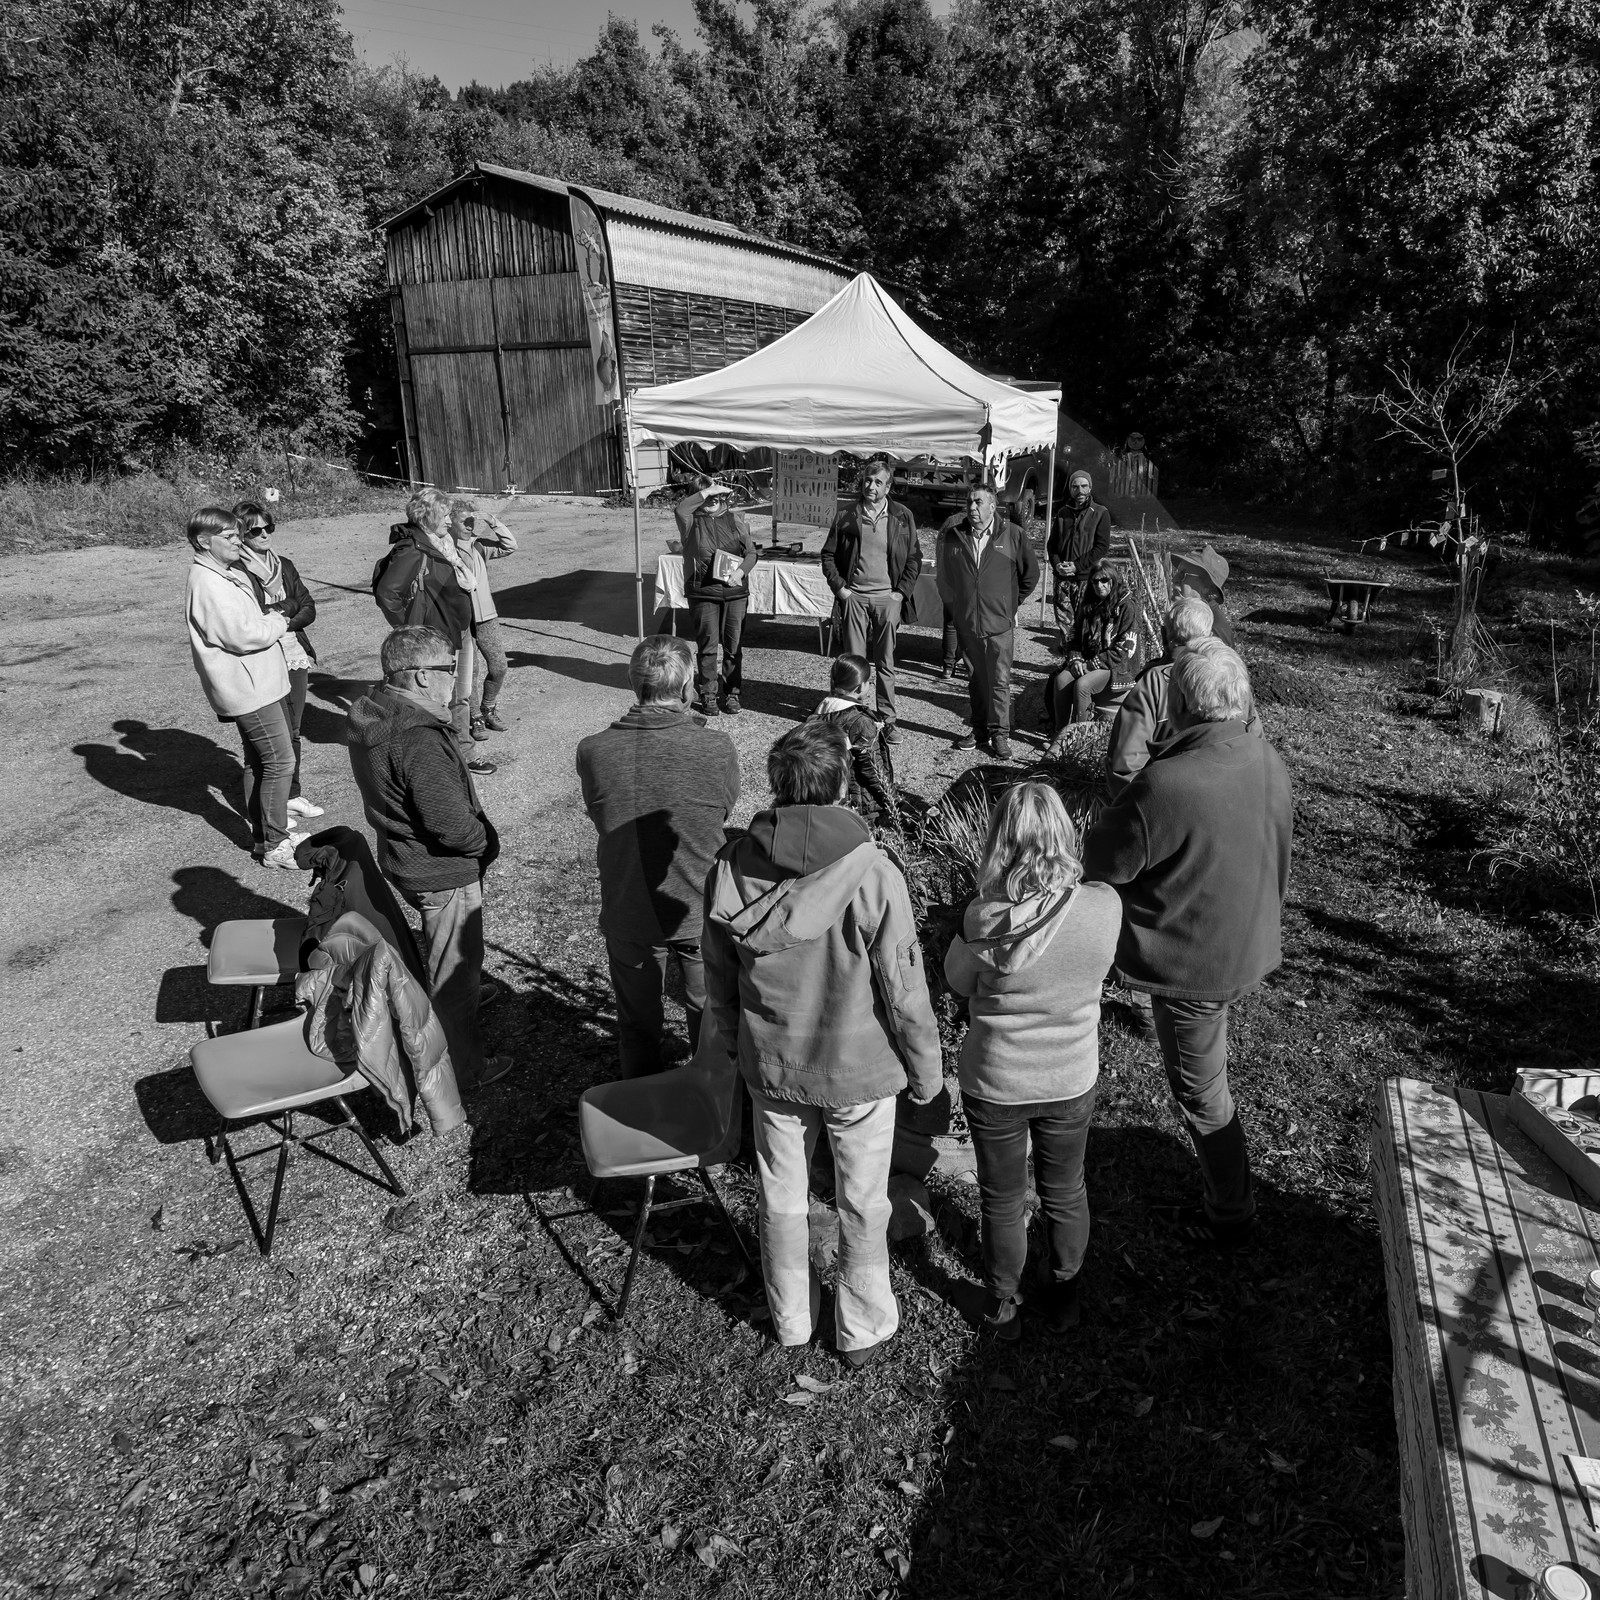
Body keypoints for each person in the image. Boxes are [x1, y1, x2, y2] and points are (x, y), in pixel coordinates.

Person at [701, 721, 943, 1368]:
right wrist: (926, 1075)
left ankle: (790, 1318)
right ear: (841, 784)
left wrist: (732, 1042)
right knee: (862, 1197)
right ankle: (860, 1325)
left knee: (781, 1194)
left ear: (777, 787)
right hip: (857, 1067)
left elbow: (718, 975)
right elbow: (905, 987)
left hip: (772, 1062)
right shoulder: (873, 872)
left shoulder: (729, 867)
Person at [1082, 644, 1292, 1249]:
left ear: (1178, 703)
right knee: (1207, 1070)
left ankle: (1232, 1209)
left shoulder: (1167, 783)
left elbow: (1104, 863)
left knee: (1201, 1092)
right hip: (1248, 934)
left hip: (1196, 959)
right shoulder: (1266, 759)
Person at [944, 782, 1122, 1340]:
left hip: (996, 1079)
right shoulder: (1104, 906)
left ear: (1000, 841)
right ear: (1064, 835)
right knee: (1065, 1188)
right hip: (1069, 1075)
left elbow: (957, 982)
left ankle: (1003, 1302)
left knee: (1002, 1196)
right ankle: (1065, 1293)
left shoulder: (983, 920)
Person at [346, 626, 514, 1093]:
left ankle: (458, 994)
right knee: (453, 976)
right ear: (420, 676)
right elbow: (450, 827)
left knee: (446, 953)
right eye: (449, 669)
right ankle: (466, 1068)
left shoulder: (377, 711)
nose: (457, 680)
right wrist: (487, 843)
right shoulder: (415, 738)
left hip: (406, 858)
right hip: (442, 871)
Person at [575, 635, 740, 1077]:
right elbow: (724, 809)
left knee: (636, 1021)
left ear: (634, 684)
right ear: (686, 686)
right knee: (710, 1016)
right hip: (698, 901)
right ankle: (713, 1103)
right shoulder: (716, 747)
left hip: (628, 898)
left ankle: (639, 1099)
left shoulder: (593, 750)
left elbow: (599, 810)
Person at [184, 506, 302, 870]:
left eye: (239, 534)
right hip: (249, 688)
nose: (240, 541)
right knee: (280, 761)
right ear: (204, 541)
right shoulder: (207, 583)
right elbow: (240, 636)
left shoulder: (226, 572)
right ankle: (273, 845)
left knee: (264, 760)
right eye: (230, 536)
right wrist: (279, 620)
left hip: (263, 681)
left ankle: (270, 831)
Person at [373, 487, 495, 777]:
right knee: (436, 700)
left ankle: (463, 752)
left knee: (461, 696)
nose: (449, 521)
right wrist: (412, 628)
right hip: (434, 639)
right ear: (425, 516)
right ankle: (437, 758)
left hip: (458, 631)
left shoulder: (443, 543)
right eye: (444, 515)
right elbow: (388, 594)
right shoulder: (412, 548)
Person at [820, 460, 922, 744]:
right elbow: (827, 555)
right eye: (867, 480)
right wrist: (841, 590)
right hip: (854, 596)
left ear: (889, 486)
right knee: (854, 663)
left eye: (877, 482)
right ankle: (853, 717)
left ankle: (888, 720)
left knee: (886, 662)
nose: (870, 486)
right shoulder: (846, 515)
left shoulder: (902, 516)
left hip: (887, 598)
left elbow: (914, 557)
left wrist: (900, 593)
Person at [234, 500, 323, 823]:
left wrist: (281, 617)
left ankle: (291, 795)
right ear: (240, 534)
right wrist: (289, 608)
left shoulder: (283, 564)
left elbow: (308, 607)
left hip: (293, 653)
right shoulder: (238, 571)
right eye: (255, 529)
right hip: (263, 658)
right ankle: (264, 819)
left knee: (295, 731)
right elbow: (255, 618)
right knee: (266, 745)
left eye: (268, 526)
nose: (263, 534)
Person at [937, 483, 1039, 761]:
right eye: (969, 502)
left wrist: (1010, 605)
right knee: (975, 680)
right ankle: (979, 729)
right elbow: (945, 579)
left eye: (979, 502)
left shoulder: (1012, 535)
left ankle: (1000, 734)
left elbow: (1031, 575)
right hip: (968, 625)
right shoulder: (955, 536)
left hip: (999, 626)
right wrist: (958, 611)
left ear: (993, 507)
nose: (972, 507)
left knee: (999, 681)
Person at [1105, 596, 1225, 795]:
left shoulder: (1154, 683)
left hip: (1164, 800)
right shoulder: (1230, 678)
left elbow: (1125, 767)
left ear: (1162, 634)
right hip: (1222, 797)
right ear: (1209, 635)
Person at [675, 479, 758, 717]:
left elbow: (751, 553)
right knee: (708, 647)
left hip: (735, 592)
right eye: (705, 494)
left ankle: (732, 693)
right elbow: (680, 509)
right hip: (703, 593)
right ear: (697, 496)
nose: (712, 498)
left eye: (715, 495)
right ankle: (708, 694)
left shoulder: (735, 520)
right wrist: (708, 490)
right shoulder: (690, 522)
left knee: (733, 646)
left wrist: (741, 571)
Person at [1046, 562, 1141, 746]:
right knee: (1061, 680)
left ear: (1113, 581)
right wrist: (1075, 659)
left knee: (1083, 685)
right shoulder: (1088, 603)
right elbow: (1073, 636)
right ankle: (1061, 735)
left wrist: (1089, 665)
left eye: (1104, 580)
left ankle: (1080, 739)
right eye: (1095, 582)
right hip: (1088, 660)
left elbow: (1124, 650)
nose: (1099, 586)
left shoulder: (1127, 607)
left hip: (1116, 666)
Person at [449, 499, 518, 743]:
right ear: (450, 521)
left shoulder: (479, 546)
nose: (469, 525)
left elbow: (510, 546)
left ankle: (489, 707)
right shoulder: (445, 548)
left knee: (499, 666)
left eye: (472, 521)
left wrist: (492, 521)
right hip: (462, 620)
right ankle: (476, 716)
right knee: (471, 672)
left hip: (486, 616)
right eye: (464, 521)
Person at [808, 653, 902, 833]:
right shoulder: (860, 722)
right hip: (859, 803)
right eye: (869, 682)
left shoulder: (819, 712)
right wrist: (892, 800)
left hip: (828, 796)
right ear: (860, 687)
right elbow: (872, 771)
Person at [1047, 469, 1112, 647]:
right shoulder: (1062, 513)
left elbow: (1102, 547)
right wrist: (1057, 564)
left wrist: (1077, 566)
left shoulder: (1100, 513)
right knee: (1065, 627)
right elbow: (1052, 545)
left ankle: (1088, 665)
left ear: (1090, 488)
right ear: (1070, 489)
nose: (1080, 491)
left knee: (1088, 625)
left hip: (1087, 578)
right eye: (1075, 487)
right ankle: (1069, 662)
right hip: (1062, 580)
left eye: (1084, 486)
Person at [1169, 545, 1236, 648]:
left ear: (1207, 587)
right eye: (1177, 573)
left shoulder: (1213, 631)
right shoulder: (1188, 618)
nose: (1174, 580)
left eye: (1183, 575)